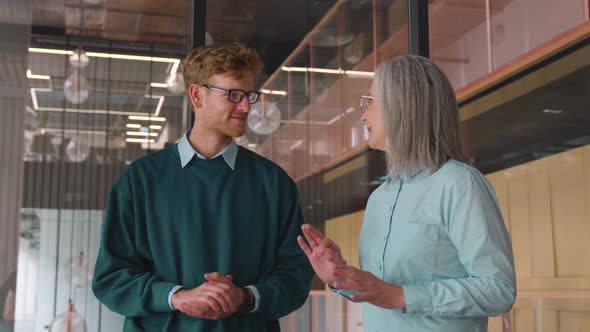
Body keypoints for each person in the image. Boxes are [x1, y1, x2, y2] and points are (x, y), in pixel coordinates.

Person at [92, 43, 314, 332]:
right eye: (234, 95)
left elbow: (295, 277)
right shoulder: (139, 180)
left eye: (249, 95)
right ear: (197, 94)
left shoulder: (274, 184)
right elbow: (111, 278)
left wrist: (245, 297)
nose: (246, 106)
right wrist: (177, 298)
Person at [298, 55, 516, 332]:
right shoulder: (379, 198)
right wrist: (339, 275)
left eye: (371, 101)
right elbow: (379, 292)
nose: (364, 114)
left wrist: (400, 296)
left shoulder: (459, 183)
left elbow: (499, 290)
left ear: (402, 106)